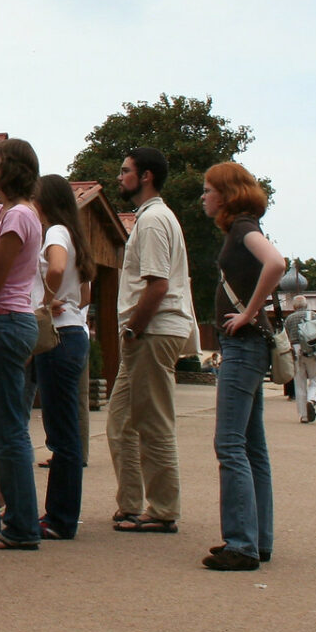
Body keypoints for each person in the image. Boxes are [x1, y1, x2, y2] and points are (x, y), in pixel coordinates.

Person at [108, 147, 197, 534]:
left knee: (153, 421)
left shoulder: (155, 220)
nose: (119, 177)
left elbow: (158, 285)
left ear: (145, 176)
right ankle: (130, 504)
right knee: (120, 422)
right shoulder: (153, 218)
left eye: (125, 170)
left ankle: (162, 509)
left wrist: (133, 329)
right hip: (148, 331)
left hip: (153, 330)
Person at [200, 162, 284, 571]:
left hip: (242, 346)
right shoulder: (246, 226)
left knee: (230, 443)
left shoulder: (242, 229)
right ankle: (257, 538)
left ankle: (241, 543)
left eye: (208, 189)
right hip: (254, 347)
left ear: (226, 194)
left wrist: (248, 313)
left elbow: (276, 263)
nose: (204, 197)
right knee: (253, 446)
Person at [0, 138, 44, 551]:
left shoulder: (18, 217)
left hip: (4, 321)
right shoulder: (4, 214)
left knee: (7, 431)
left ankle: (21, 526)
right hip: (2, 323)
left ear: (8, 168)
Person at [33, 174, 94, 541]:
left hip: (57, 336)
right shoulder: (75, 235)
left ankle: (59, 517)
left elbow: (54, 268)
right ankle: (61, 513)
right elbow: (85, 293)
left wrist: (44, 300)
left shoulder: (55, 232)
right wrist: (65, 301)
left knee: (61, 434)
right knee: (67, 429)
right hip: (75, 332)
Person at [284, 295, 316, 423]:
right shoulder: (315, 315)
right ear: (306, 305)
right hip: (312, 348)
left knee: (299, 382)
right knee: (315, 378)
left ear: (294, 306)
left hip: (296, 349)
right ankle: (312, 399)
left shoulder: (289, 319)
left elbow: (285, 336)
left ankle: (303, 415)